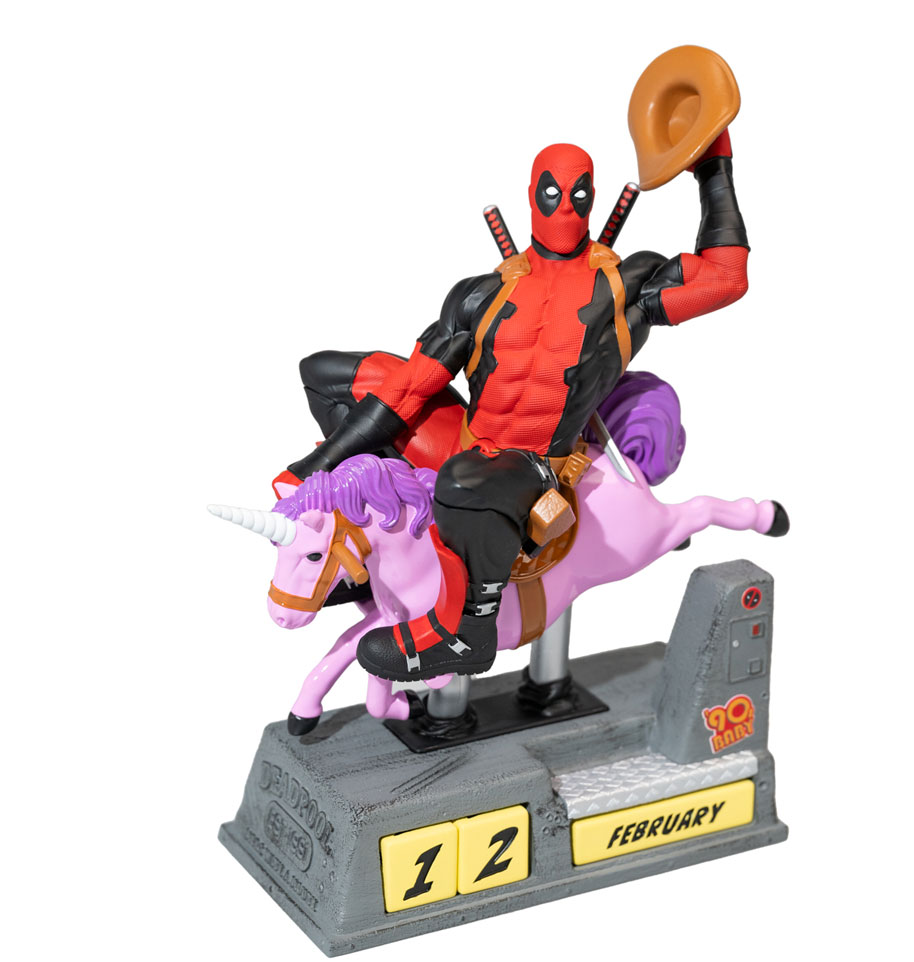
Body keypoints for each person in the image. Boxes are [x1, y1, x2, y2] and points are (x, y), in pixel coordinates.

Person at [278, 134, 749, 682]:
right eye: (552, 192)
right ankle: (366, 559)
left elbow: (726, 278)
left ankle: (466, 633)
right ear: (532, 195)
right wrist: (313, 467)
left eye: (578, 194)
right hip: (468, 436)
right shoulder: (482, 292)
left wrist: (713, 167)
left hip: (535, 463)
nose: (565, 206)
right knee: (326, 376)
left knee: (462, 479)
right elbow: (409, 388)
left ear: (592, 198)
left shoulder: (626, 286)